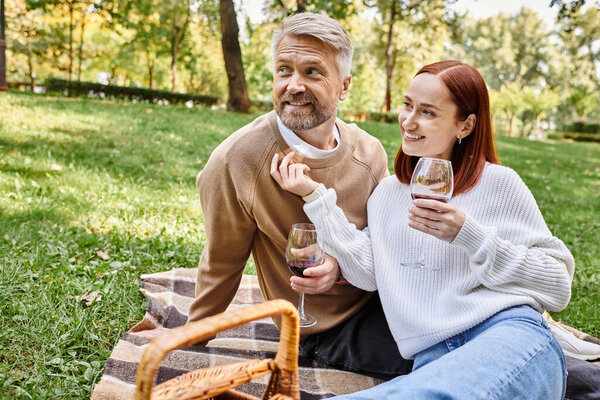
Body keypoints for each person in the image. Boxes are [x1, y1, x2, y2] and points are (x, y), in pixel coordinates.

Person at [270, 60, 576, 398]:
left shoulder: (498, 184)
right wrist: (314, 197)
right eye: (407, 105)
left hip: (507, 335)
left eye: (428, 112)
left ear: (466, 125)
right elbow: (369, 271)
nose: (408, 121)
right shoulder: (388, 194)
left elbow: (558, 284)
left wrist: (470, 236)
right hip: (432, 360)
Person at [187, 12, 413, 379]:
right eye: (283, 70)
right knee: (433, 356)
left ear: (344, 86)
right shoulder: (237, 160)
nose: (293, 85)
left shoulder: (369, 153)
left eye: (312, 72)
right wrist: (192, 333)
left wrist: (338, 269)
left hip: (387, 296)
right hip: (323, 328)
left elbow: (385, 241)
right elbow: (221, 261)